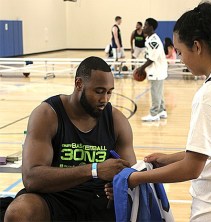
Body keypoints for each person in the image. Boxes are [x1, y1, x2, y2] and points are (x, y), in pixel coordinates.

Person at [128, 2, 211, 222]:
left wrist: (137, 178)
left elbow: (192, 168)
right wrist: (168, 159)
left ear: (197, 46)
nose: (179, 58)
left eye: (180, 51)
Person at [4, 56, 137, 222]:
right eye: (99, 91)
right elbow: (31, 178)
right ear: (79, 84)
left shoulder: (117, 121)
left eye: (109, 92)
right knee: (19, 212)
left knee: (135, 208)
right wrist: (94, 170)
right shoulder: (47, 114)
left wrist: (121, 183)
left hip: (99, 198)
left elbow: (131, 174)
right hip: (55, 196)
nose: (105, 99)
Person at [136, 18, 168, 122]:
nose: (143, 27)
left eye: (145, 25)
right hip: (158, 69)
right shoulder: (150, 38)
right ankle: (162, 110)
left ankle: (154, 114)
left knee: (155, 91)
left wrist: (141, 68)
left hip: (157, 70)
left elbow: (152, 58)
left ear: (151, 27)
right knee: (159, 91)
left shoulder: (153, 41)